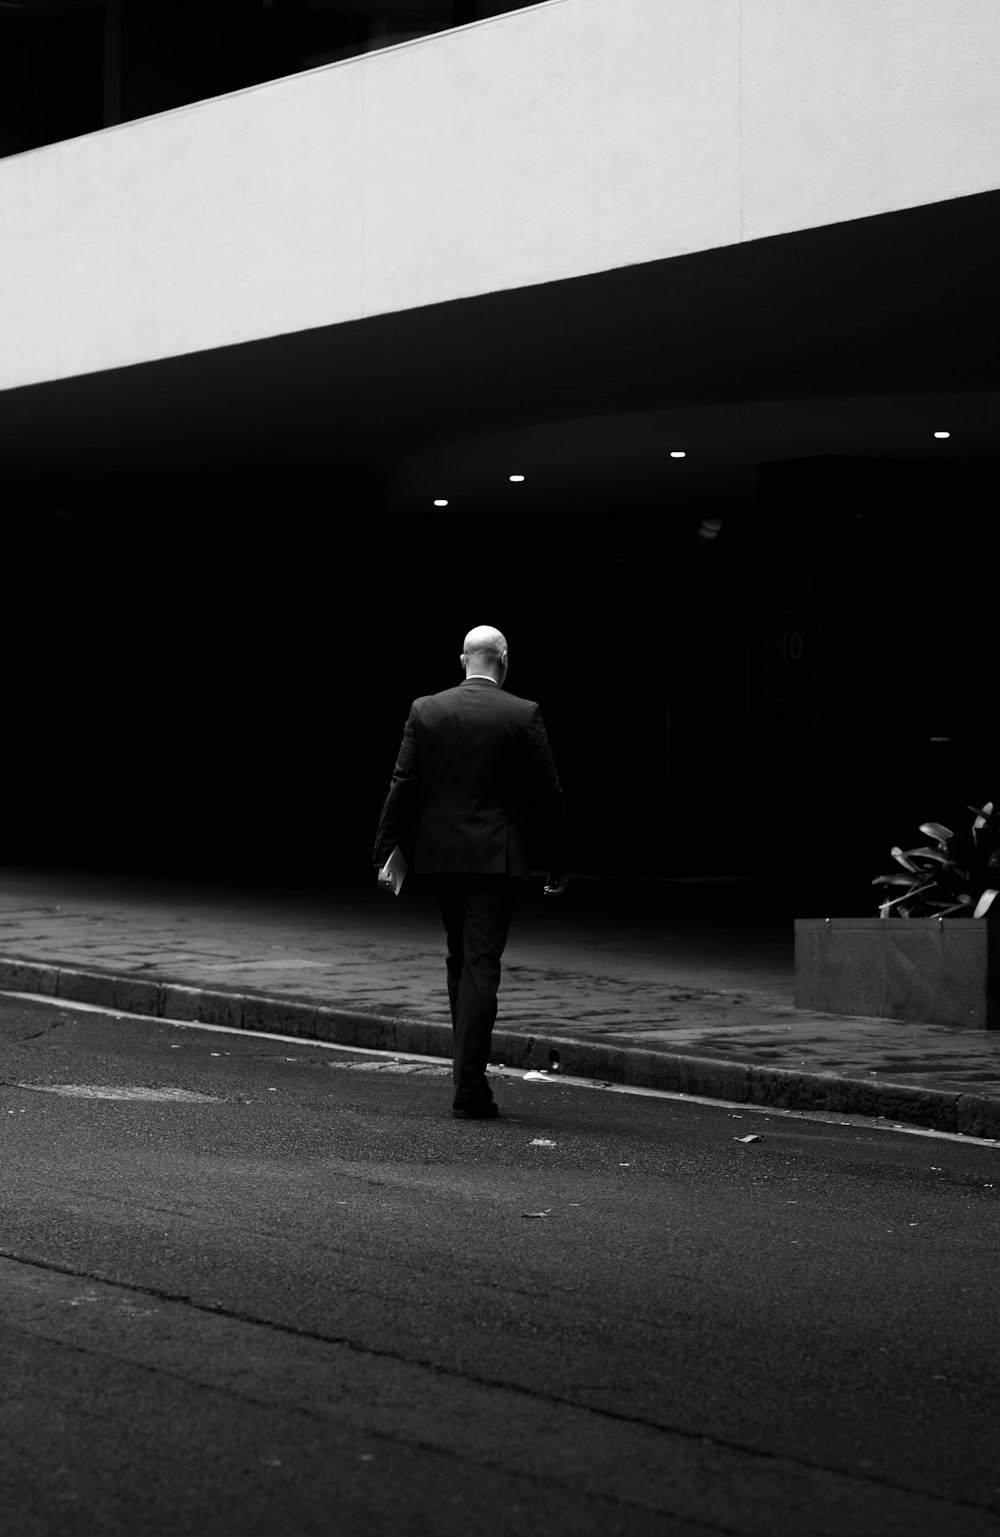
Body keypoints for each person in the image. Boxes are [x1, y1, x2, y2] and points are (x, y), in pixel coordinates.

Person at [373, 625, 569, 1119]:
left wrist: (386, 848)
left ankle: (467, 1080)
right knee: (482, 964)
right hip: (497, 861)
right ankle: (469, 1086)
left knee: (460, 959)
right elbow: (550, 795)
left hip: (440, 858)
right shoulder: (523, 713)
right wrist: (558, 859)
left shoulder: (426, 709)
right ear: (505, 660)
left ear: (463, 660)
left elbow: (403, 782)